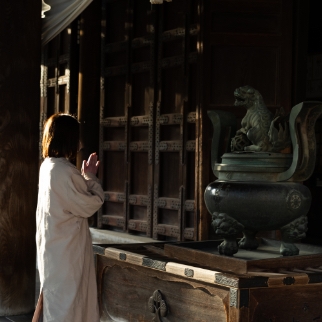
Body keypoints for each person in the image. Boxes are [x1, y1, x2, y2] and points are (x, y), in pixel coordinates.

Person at [33, 113, 104, 322]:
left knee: (55, 305)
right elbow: (92, 203)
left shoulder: (47, 166)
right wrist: (90, 177)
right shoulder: (65, 172)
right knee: (67, 309)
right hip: (67, 255)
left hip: (52, 250)